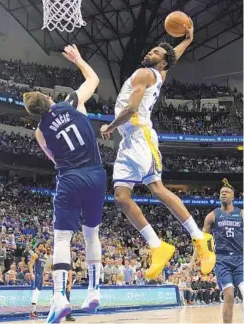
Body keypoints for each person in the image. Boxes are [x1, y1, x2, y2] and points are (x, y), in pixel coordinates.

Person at [100, 19, 215, 279]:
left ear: (162, 62)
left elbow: (130, 110)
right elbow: (174, 57)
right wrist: (187, 40)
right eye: (151, 50)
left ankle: (200, 240)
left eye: (155, 52)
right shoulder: (160, 73)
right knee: (121, 197)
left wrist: (109, 127)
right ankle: (157, 246)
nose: (149, 52)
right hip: (128, 140)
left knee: (157, 188)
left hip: (139, 135)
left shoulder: (144, 74)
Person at [23, 44, 106, 324]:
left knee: (62, 238)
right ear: (49, 98)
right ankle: (94, 291)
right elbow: (94, 80)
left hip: (70, 177)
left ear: (35, 113)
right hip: (96, 174)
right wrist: (79, 59)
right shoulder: (71, 100)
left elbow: (53, 158)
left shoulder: (39, 132)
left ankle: (59, 297)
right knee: (91, 233)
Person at [190, 179, 243, 323]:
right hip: (222, 260)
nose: (224, 194)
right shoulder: (212, 216)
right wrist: (191, 263)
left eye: (227, 192)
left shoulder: (242, 214)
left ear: (233, 197)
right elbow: (200, 241)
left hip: (240, 259)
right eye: (221, 193)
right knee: (229, 295)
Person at [28, 243, 47, 319]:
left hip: (40, 275)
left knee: (38, 292)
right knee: (35, 291)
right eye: (40, 246)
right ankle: (33, 311)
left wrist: (43, 276)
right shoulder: (35, 255)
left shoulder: (43, 256)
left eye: (42, 246)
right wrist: (32, 274)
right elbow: (30, 264)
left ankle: (34, 310)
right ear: (37, 247)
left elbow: (42, 267)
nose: (41, 247)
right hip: (36, 274)